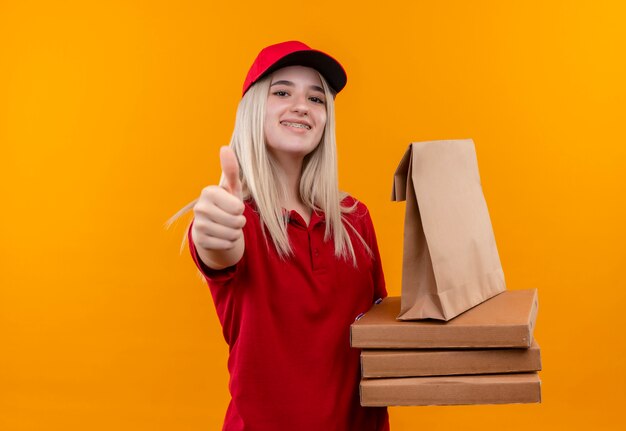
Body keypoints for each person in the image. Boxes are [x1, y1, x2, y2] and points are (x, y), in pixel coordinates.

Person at [181, 41, 389, 431]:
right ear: (253, 109)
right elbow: (218, 248)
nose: (301, 105)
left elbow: (378, 336)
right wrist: (212, 232)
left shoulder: (355, 220)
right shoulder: (236, 218)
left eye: (316, 98)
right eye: (282, 92)